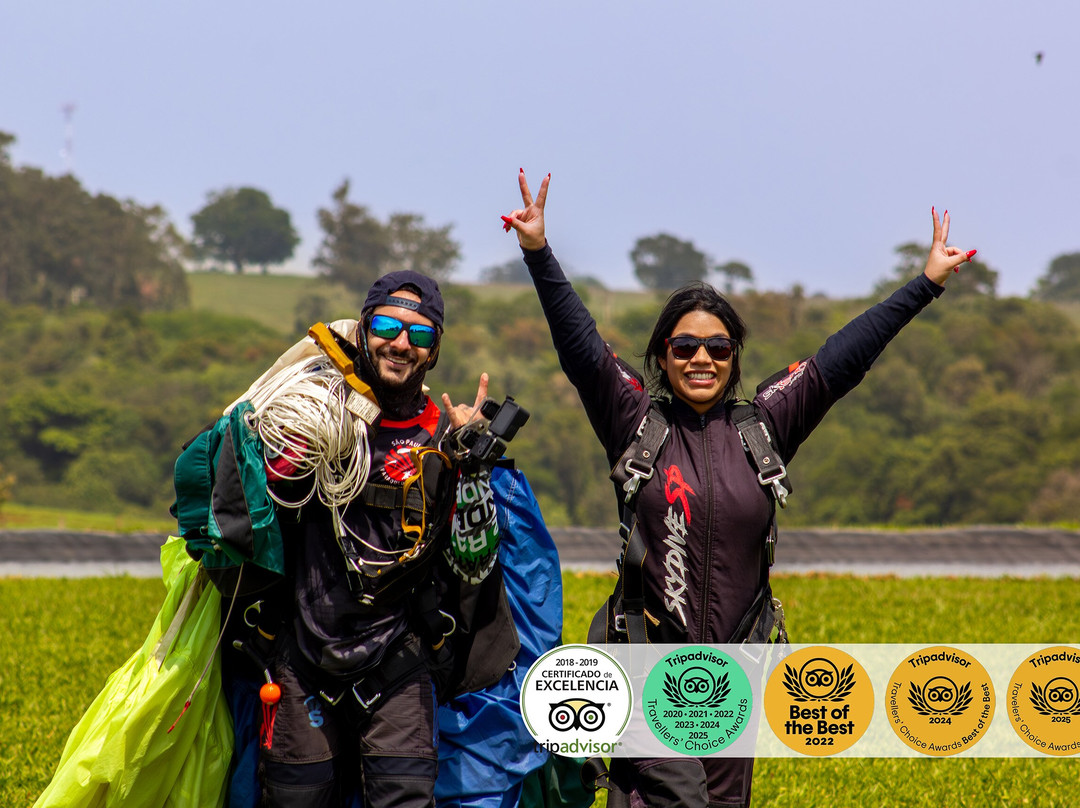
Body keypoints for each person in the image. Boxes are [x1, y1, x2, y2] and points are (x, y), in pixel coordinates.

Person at [501, 170, 976, 808]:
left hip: (733, 678)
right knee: (677, 796)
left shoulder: (766, 426)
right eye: (686, 345)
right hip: (646, 666)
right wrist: (538, 251)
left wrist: (925, 285)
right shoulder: (636, 420)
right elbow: (582, 348)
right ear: (664, 355)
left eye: (718, 347)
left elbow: (842, 358)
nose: (702, 358)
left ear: (735, 356)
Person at [248, 270, 517, 808]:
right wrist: (292, 458)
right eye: (389, 327)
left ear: (434, 351)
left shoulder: (447, 437)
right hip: (302, 655)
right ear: (365, 328)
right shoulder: (317, 422)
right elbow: (258, 520)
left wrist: (472, 469)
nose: (400, 344)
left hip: (402, 660)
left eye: (419, 335)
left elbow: (474, 565)